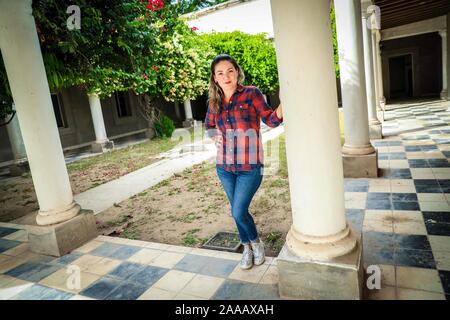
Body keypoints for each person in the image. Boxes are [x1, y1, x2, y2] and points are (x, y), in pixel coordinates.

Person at [204, 54, 283, 270]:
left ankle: (256, 242)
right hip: (225, 167)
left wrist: (284, 103)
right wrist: (214, 136)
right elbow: (209, 126)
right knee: (236, 211)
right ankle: (248, 247)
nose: (226, 76)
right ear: (215, 78)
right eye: (220, 73)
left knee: (238, 211)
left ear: (237, 71)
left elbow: (271, 120)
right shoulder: (214, 101)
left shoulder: (251, 93)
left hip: (250, 167)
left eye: (230, 70)